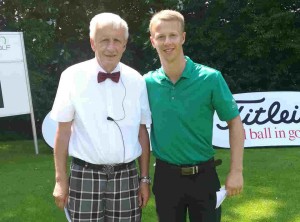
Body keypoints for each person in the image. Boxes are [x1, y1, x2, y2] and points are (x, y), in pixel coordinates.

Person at [144, 9, 244, 222]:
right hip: (165, 178)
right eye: (161, 36)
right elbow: (138, 129)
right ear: (153, 41)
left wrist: (236, 170)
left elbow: (235, 123)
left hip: (204, 177)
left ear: (183, 37)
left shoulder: (210, 78)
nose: (167, 41)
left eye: (173, 35)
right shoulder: (146, 83)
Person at [51, 12, 152, 222]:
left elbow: (142, 132)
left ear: (125, 45)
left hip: (127, 176)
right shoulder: (71, 76)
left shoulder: (137, 80)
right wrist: (60, 181)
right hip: (84, 174)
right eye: (104, 40)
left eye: (117, 41)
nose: (111, 47)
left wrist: (144, 179)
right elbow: (62, 132)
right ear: (92, 43)